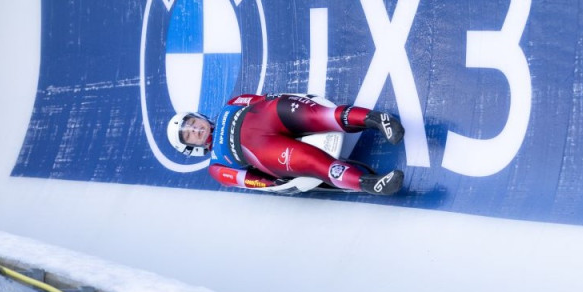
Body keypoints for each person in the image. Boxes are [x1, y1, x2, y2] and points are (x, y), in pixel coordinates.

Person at [166, 93, 405, 195]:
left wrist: (292, 101)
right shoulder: (216, 167)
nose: (195, 129)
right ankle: (370, 184)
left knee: (319, 116)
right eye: (188, 134)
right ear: (191, 147)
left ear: (198, 116)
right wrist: (276, 183)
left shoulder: (232, 103)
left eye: (191, 122)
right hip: (266, 152)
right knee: (313, 163)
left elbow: (265, 98)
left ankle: (376, 120)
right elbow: (249, 181)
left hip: (271, 115)